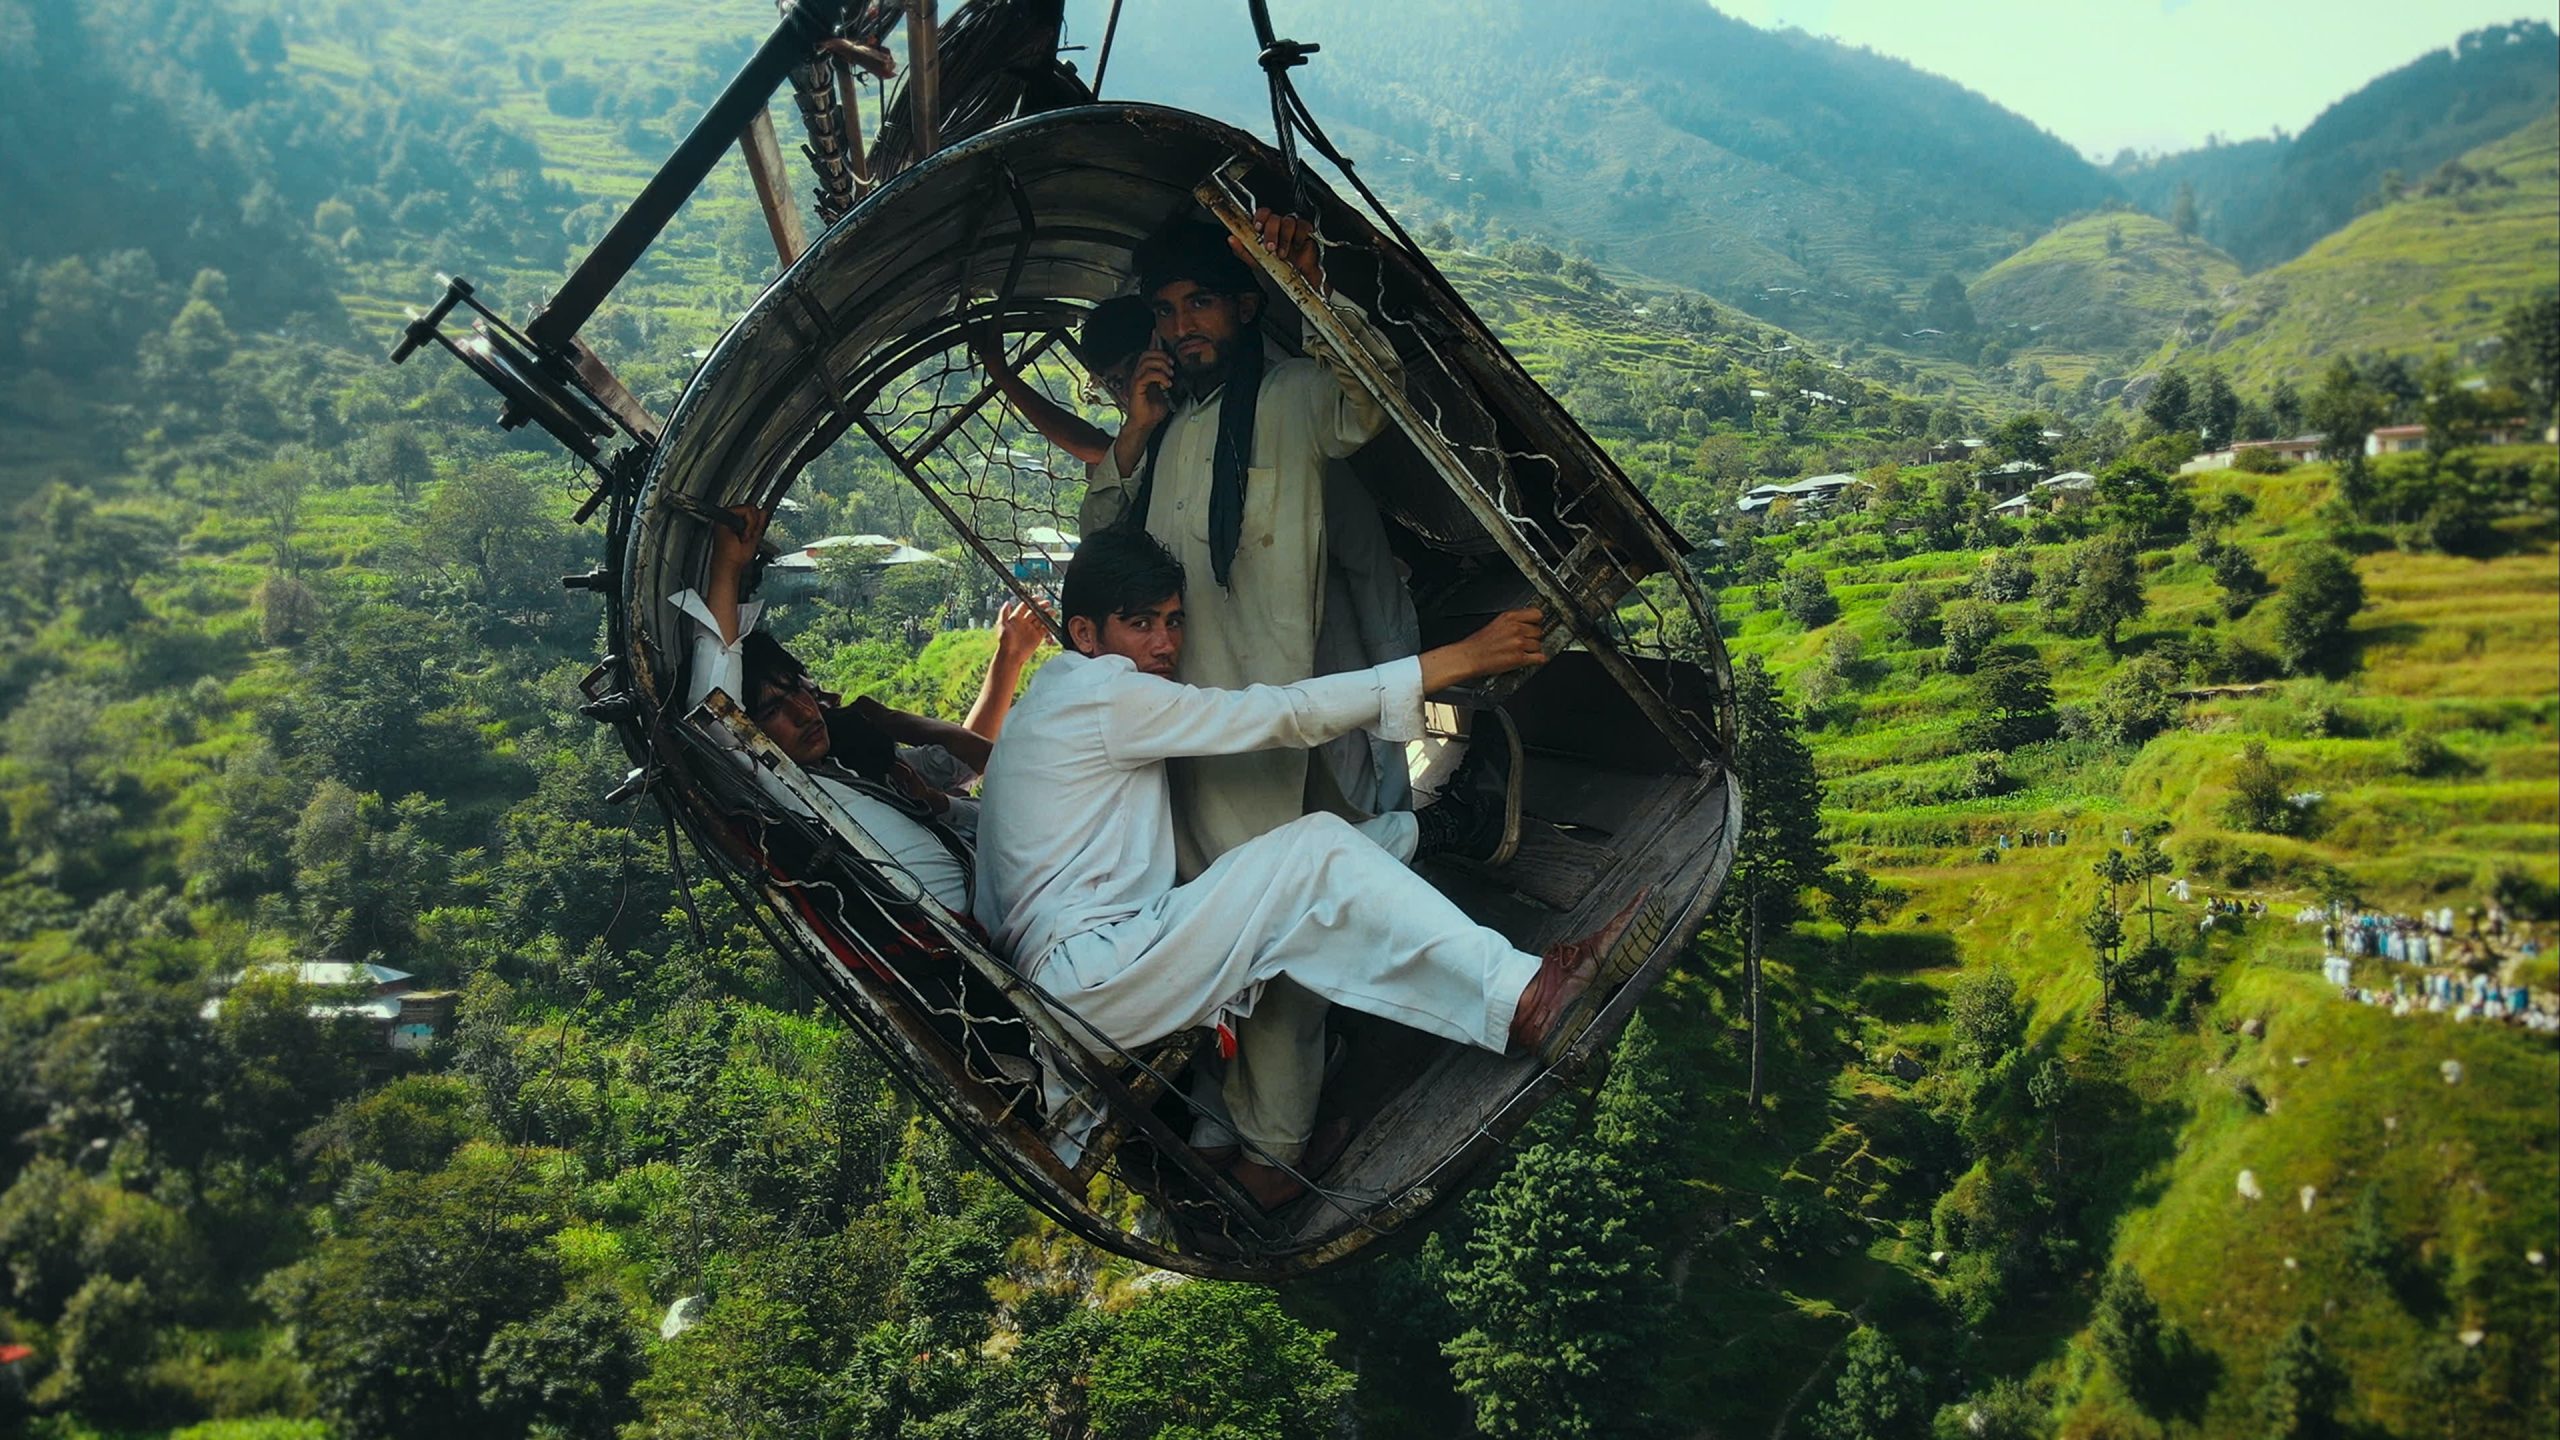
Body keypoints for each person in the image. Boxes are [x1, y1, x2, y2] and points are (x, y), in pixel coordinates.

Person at [973, 527, 1644, 1203]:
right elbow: (1279, 715)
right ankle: (1528, 1000)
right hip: (1088, 979)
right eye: (1140, 624)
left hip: (1076, 979)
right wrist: (1455, 661)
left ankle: (1444, 829)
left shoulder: (1046, 704)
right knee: (1313, 854)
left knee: (1300, 866)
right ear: (1086, 634)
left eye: (1174, 622)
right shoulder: (1102, 693)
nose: (1165, 645)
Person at [671, 503, 1048, 910]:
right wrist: (726, 569)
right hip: (982, 920)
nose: (803, 712)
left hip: (1001, 894)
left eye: (797, 692)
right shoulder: (777, 791)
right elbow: (714, 711)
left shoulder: (846, 767)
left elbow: (958, 763)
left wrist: (1007, 660)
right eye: (771, 711)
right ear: (751, 729)